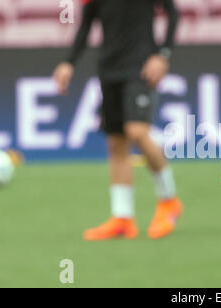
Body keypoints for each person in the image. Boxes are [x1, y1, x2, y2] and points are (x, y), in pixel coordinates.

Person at [53, 0, 183, 241]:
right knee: (116, 142)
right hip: (109, 70)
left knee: (137, 132)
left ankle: (168, 200)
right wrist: (68, 62)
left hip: (140, 67)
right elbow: (85, 27)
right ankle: (122, 218)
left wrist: (163, 55)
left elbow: (173, 12)